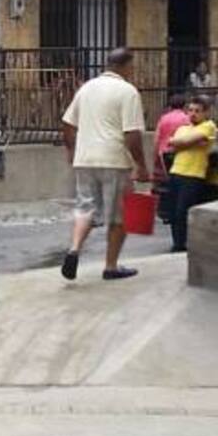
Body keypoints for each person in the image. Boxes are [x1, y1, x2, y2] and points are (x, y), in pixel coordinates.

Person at [60, 48, 150, 283]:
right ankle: (110, 266)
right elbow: (131, 135)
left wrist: (71, 151)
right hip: (114, 160)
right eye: (132, 66)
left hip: (85, 158)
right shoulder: (128, 91)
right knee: (120, 216)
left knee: (85, 207)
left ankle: (74, 249)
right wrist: (141, 165)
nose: (133, 71)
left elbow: (68, 124)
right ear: (126, 66)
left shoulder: (87, 88)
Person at [167, 95, 216, 253]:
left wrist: (180, 141)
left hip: (193, 175)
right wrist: (184, 142)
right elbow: (172, 146)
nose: (193, 114)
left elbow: (179, 142)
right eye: (190, 110)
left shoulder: (208, 126)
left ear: (206, 113)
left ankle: (183, 244)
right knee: (173, 212)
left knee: (183, 211)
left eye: (198, 111)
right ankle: (177, 243)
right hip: (176, 172)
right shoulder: (183, 128)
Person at [153, 94, 190, 224]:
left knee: (167, 182)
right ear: (184, 105)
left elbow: (157, 138)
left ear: (170, 106)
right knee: (179, 182)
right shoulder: (186, 118)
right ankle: (176, 210)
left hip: (164, 153)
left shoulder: (163, 118)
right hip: (179, 153)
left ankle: (167, 211)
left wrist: (155, 156)